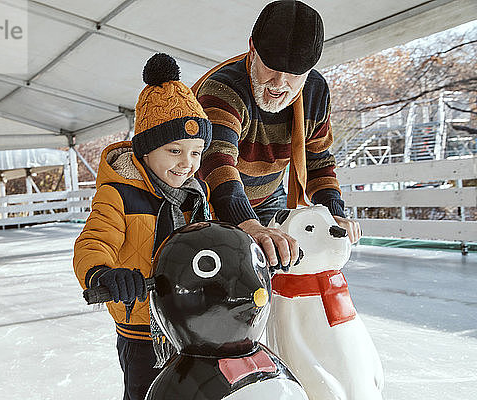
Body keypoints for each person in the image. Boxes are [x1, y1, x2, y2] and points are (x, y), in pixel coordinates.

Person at [73, 53, 213, 400]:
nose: (187, 164)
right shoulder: (118, 194)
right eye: (175, 150)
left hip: (192, 322)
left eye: (196, 152)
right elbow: (93, 242)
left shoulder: (196, 195)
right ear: (147, 150)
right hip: (141, 327)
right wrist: (104, 275)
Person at [192, 0, 361, 269]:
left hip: (269, 195)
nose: (279, 83)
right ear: (252, 48)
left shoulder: (315, 92)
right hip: (209, 198)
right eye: (270, 66)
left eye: (295, 73)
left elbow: (317, 161)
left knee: (281, 265)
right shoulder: (223, 88)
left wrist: (334, 215)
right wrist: (249, 225)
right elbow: (215, 161)